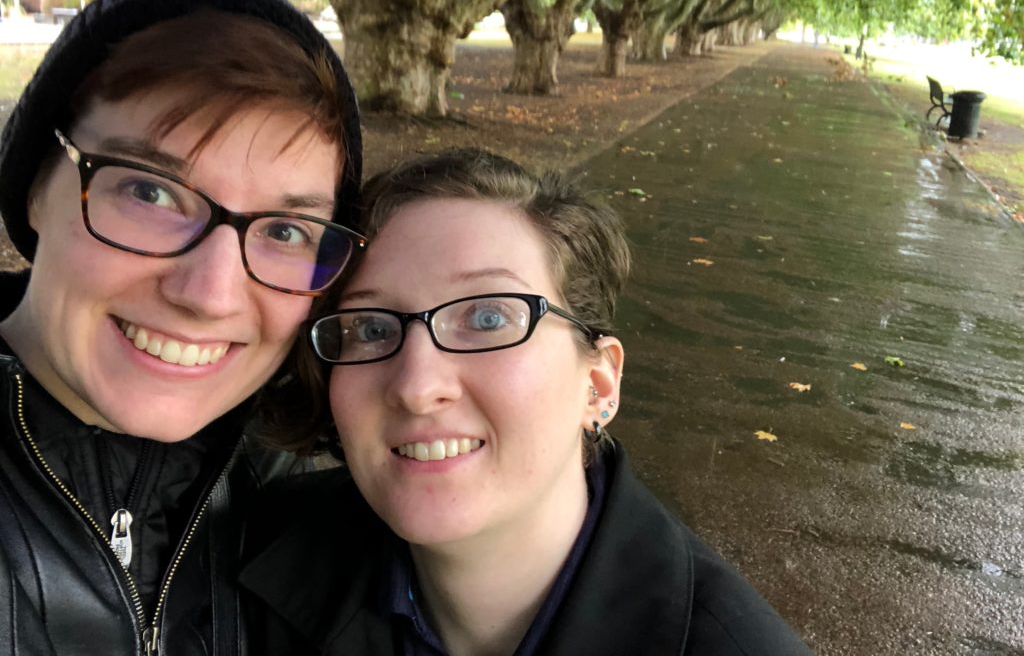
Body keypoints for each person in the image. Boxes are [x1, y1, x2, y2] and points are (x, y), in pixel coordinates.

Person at [239, 149, 815, 655]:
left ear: (599, 384)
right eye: (370, 328)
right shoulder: (245, 555)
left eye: (489, 318)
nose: (416, 386)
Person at [0, 0, 365, 656]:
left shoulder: (307, 493)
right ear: (35, 190)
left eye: (286, 230)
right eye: (150, 191)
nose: (210, 293)